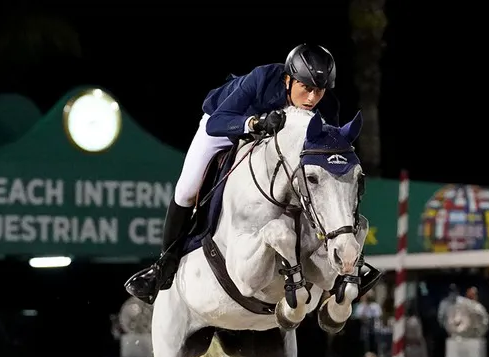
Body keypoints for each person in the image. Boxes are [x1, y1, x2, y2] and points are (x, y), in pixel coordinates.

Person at [124, 44, 338, 305]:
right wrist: (254, 123)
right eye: (306, 88)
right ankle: (162, 267)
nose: (312, 99)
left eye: (319, 91)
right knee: (187, 189)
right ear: (288, 79)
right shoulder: (261, 79)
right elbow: (217, 122)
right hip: (225, 128)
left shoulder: (321, 109)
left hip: (266, 145)